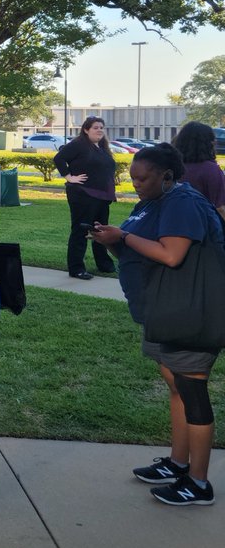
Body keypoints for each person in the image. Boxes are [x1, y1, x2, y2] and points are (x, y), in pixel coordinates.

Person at [89, 144, 221, 506]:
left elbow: (171, 254)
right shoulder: (152, 201)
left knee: (192, 392)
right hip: (160, 313)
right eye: (131, 177)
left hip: (189, 315)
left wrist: (124, 237)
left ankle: (199, 483)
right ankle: (178, 463)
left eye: (142, 178)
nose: (136, 184)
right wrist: (114, 241)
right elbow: (138, 249)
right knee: (176, 386)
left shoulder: (183, 202)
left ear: (167, 176)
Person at [53, 116, 117, 280]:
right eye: (95, 127)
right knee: (80, 231)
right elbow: (59, 158)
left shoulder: (102, 147)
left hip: (101, 196)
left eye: (101, 127)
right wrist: (69, 177)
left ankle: (104, 265)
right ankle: (76, 268)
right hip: (83, 195)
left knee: (100, 230)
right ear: (86, 130)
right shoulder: (79, 144)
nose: (100, 130)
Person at [172, 121, 225, 215]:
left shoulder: (171, 167)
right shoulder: (211, 170)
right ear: (209, 143)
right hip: (204, 226)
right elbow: (220, 208)